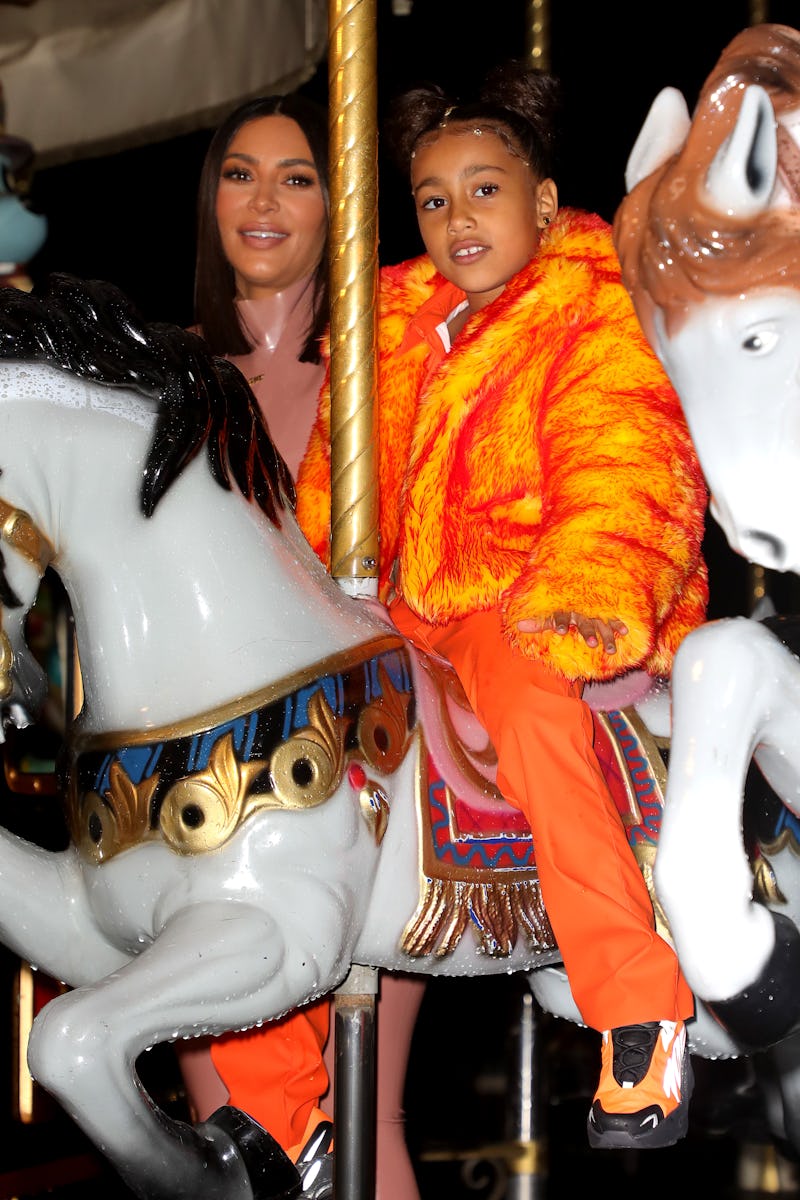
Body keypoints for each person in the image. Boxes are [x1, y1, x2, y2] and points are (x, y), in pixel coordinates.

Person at [296, 61, 709, 1152]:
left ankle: (635, 1007)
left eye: (483, 190)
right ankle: (280, 1099)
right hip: (391, 609)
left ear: (539, 202)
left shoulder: (592, 308)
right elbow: (325, 492)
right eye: (432, 199)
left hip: (515, 597)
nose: (454, 218)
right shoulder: (387, 330)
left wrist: (576, 597)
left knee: (531, 712)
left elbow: (624, 460)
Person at [178, 92, 425, 1199]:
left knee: (362, 1112)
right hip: (206, 797)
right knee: (227, 1122)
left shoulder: (381, 372)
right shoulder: (172, 379)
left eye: (297, 175)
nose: (264, 200)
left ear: (339, 203)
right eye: (240, 174)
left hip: (359, 776)